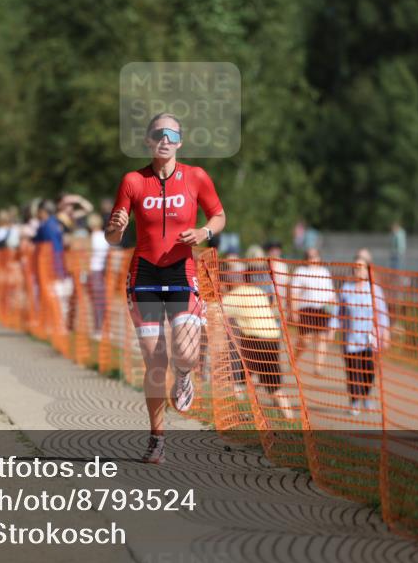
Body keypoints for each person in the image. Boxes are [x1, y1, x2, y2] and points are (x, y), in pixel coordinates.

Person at [106, 112, 226, 464]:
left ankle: (185, 376)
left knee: (186, 355)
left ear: (180, 142)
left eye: (172, 134)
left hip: (181, 271)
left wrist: (204, 232)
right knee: (155, 361)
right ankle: (157, 437)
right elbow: (112, 236)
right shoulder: (133, 181)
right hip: (144, 274)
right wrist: (116, 227)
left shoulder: (196, 177)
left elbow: (219, 215)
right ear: (147, 140)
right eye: (159, 133)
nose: (165, 139)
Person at [221, 257, 295, 419]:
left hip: (257, 341)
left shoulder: (232, 298)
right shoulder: (258, 291)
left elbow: (214, 313)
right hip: (273, 338)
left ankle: (241, 410)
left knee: (237, 373)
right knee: (273, 383)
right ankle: (288, 418)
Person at [329, 251, 390, 416]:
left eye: (362, 268)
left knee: (368, 371)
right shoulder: (346, 289)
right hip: (350, 338)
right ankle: (354, 402)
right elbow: (338, 312)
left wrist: (385, 334)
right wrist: (332, 328)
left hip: (370, 339)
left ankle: (366, 395)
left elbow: (382, 313)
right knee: (353, 371)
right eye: (356, 268)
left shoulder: (375, 290)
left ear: (367, 270)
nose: (359, 271)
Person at [290, 247, 336, 376]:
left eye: (315, 256)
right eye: (310, 256)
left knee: (322, 337)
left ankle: (318, 369)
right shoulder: (300, 271)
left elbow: (331, 293)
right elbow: (294, 293)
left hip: (322, 309)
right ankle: (294, 359)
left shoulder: (324, 272)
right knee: (305, 340)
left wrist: (333, 309)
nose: (313, 259)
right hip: (306, 309)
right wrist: (294, 311)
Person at [86, 213, 109, 335]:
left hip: (93, 271)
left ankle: (98, 328)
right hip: (104, 271)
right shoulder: (105, 237)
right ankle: (102, 327)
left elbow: (87, 257)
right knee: (102, 300)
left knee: (96, 301)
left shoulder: (90, 238)